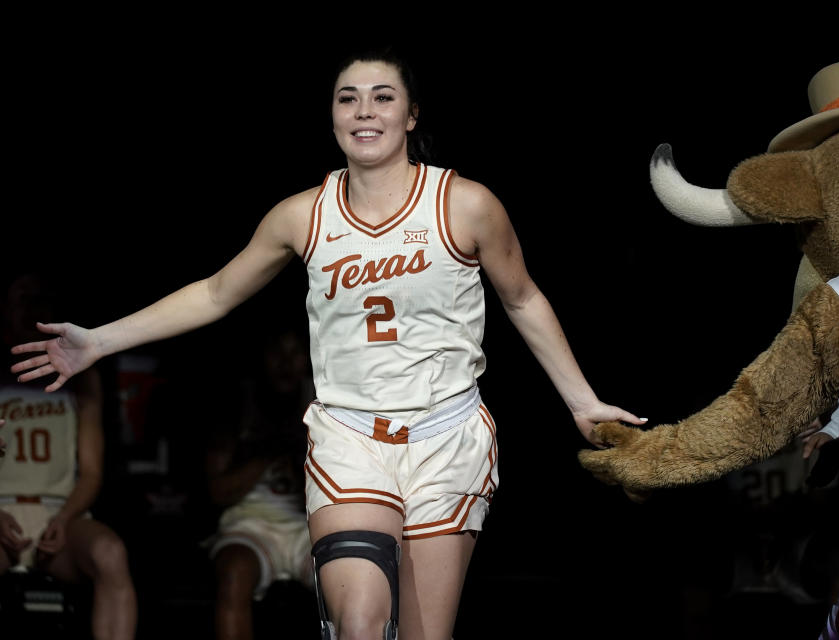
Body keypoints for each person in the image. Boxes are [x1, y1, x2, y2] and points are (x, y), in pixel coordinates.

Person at [10, 50, 643, 640]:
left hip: (446, 437)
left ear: (411, 114)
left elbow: (524, 299)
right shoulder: (303, 215)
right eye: (348, 98)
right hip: (349, 438)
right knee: (363, 621)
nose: (364, 111)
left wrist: (582, 403)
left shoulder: (466, 205)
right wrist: (98, 341)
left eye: (382, 97)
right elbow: (216, 293)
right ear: (333, 115)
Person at [1, 273, 137, 640]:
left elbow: (91, 472)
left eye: (39, 298)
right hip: (1, 510)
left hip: (58, 512)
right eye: (22, 298)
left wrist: (64, 518)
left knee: (110, 552)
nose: (32, 307)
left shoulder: (79, 375)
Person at [206, 327, 315, 640]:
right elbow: (216, 492)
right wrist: (266, 453)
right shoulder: (238, 404)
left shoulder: (322, 401)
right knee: (234, 572)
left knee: (347, 574)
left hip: (307, 526)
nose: (286, 363)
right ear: (262, 358)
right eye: (276, 353)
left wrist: (296, 453)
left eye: (295, 354)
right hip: (249, 525)